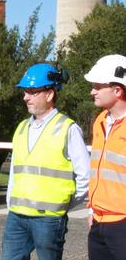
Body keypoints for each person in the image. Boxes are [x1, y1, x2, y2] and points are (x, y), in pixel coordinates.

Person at [1, 63, 90, 260]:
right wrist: (10, 203)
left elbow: (85, 176)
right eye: (25, 92)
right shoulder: (22, 128)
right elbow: (15, 173)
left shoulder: (68, 128)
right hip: (17, 216)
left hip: (48, 219)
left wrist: (63, 205)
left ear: (49, 94)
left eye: (32, 92)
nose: (25, 97)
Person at [84, 54, 126, 259]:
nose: (92, 92)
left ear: (117, 90)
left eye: (98, 86)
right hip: (99, 223)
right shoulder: (100, 121)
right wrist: (92, 210)